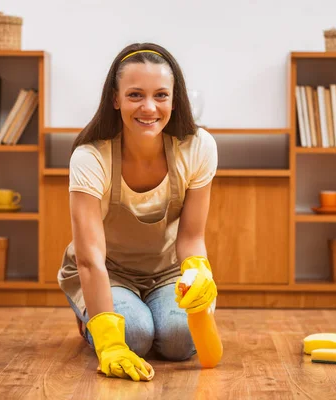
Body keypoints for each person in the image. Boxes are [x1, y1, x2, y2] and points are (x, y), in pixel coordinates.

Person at [57, 42, 219, 382]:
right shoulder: (91, 157)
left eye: (161, 95)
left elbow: (191, 237)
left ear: (175, 99)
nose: (149, 107)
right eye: (135, 95)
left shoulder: (197, 147)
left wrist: (198, 271)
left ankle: (145, 315)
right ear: (115, 99)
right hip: (109, 272)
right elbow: (90, 258)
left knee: (179, 340)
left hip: (167, 272)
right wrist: (110, 340)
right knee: (133, 337)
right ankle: (95, 317)